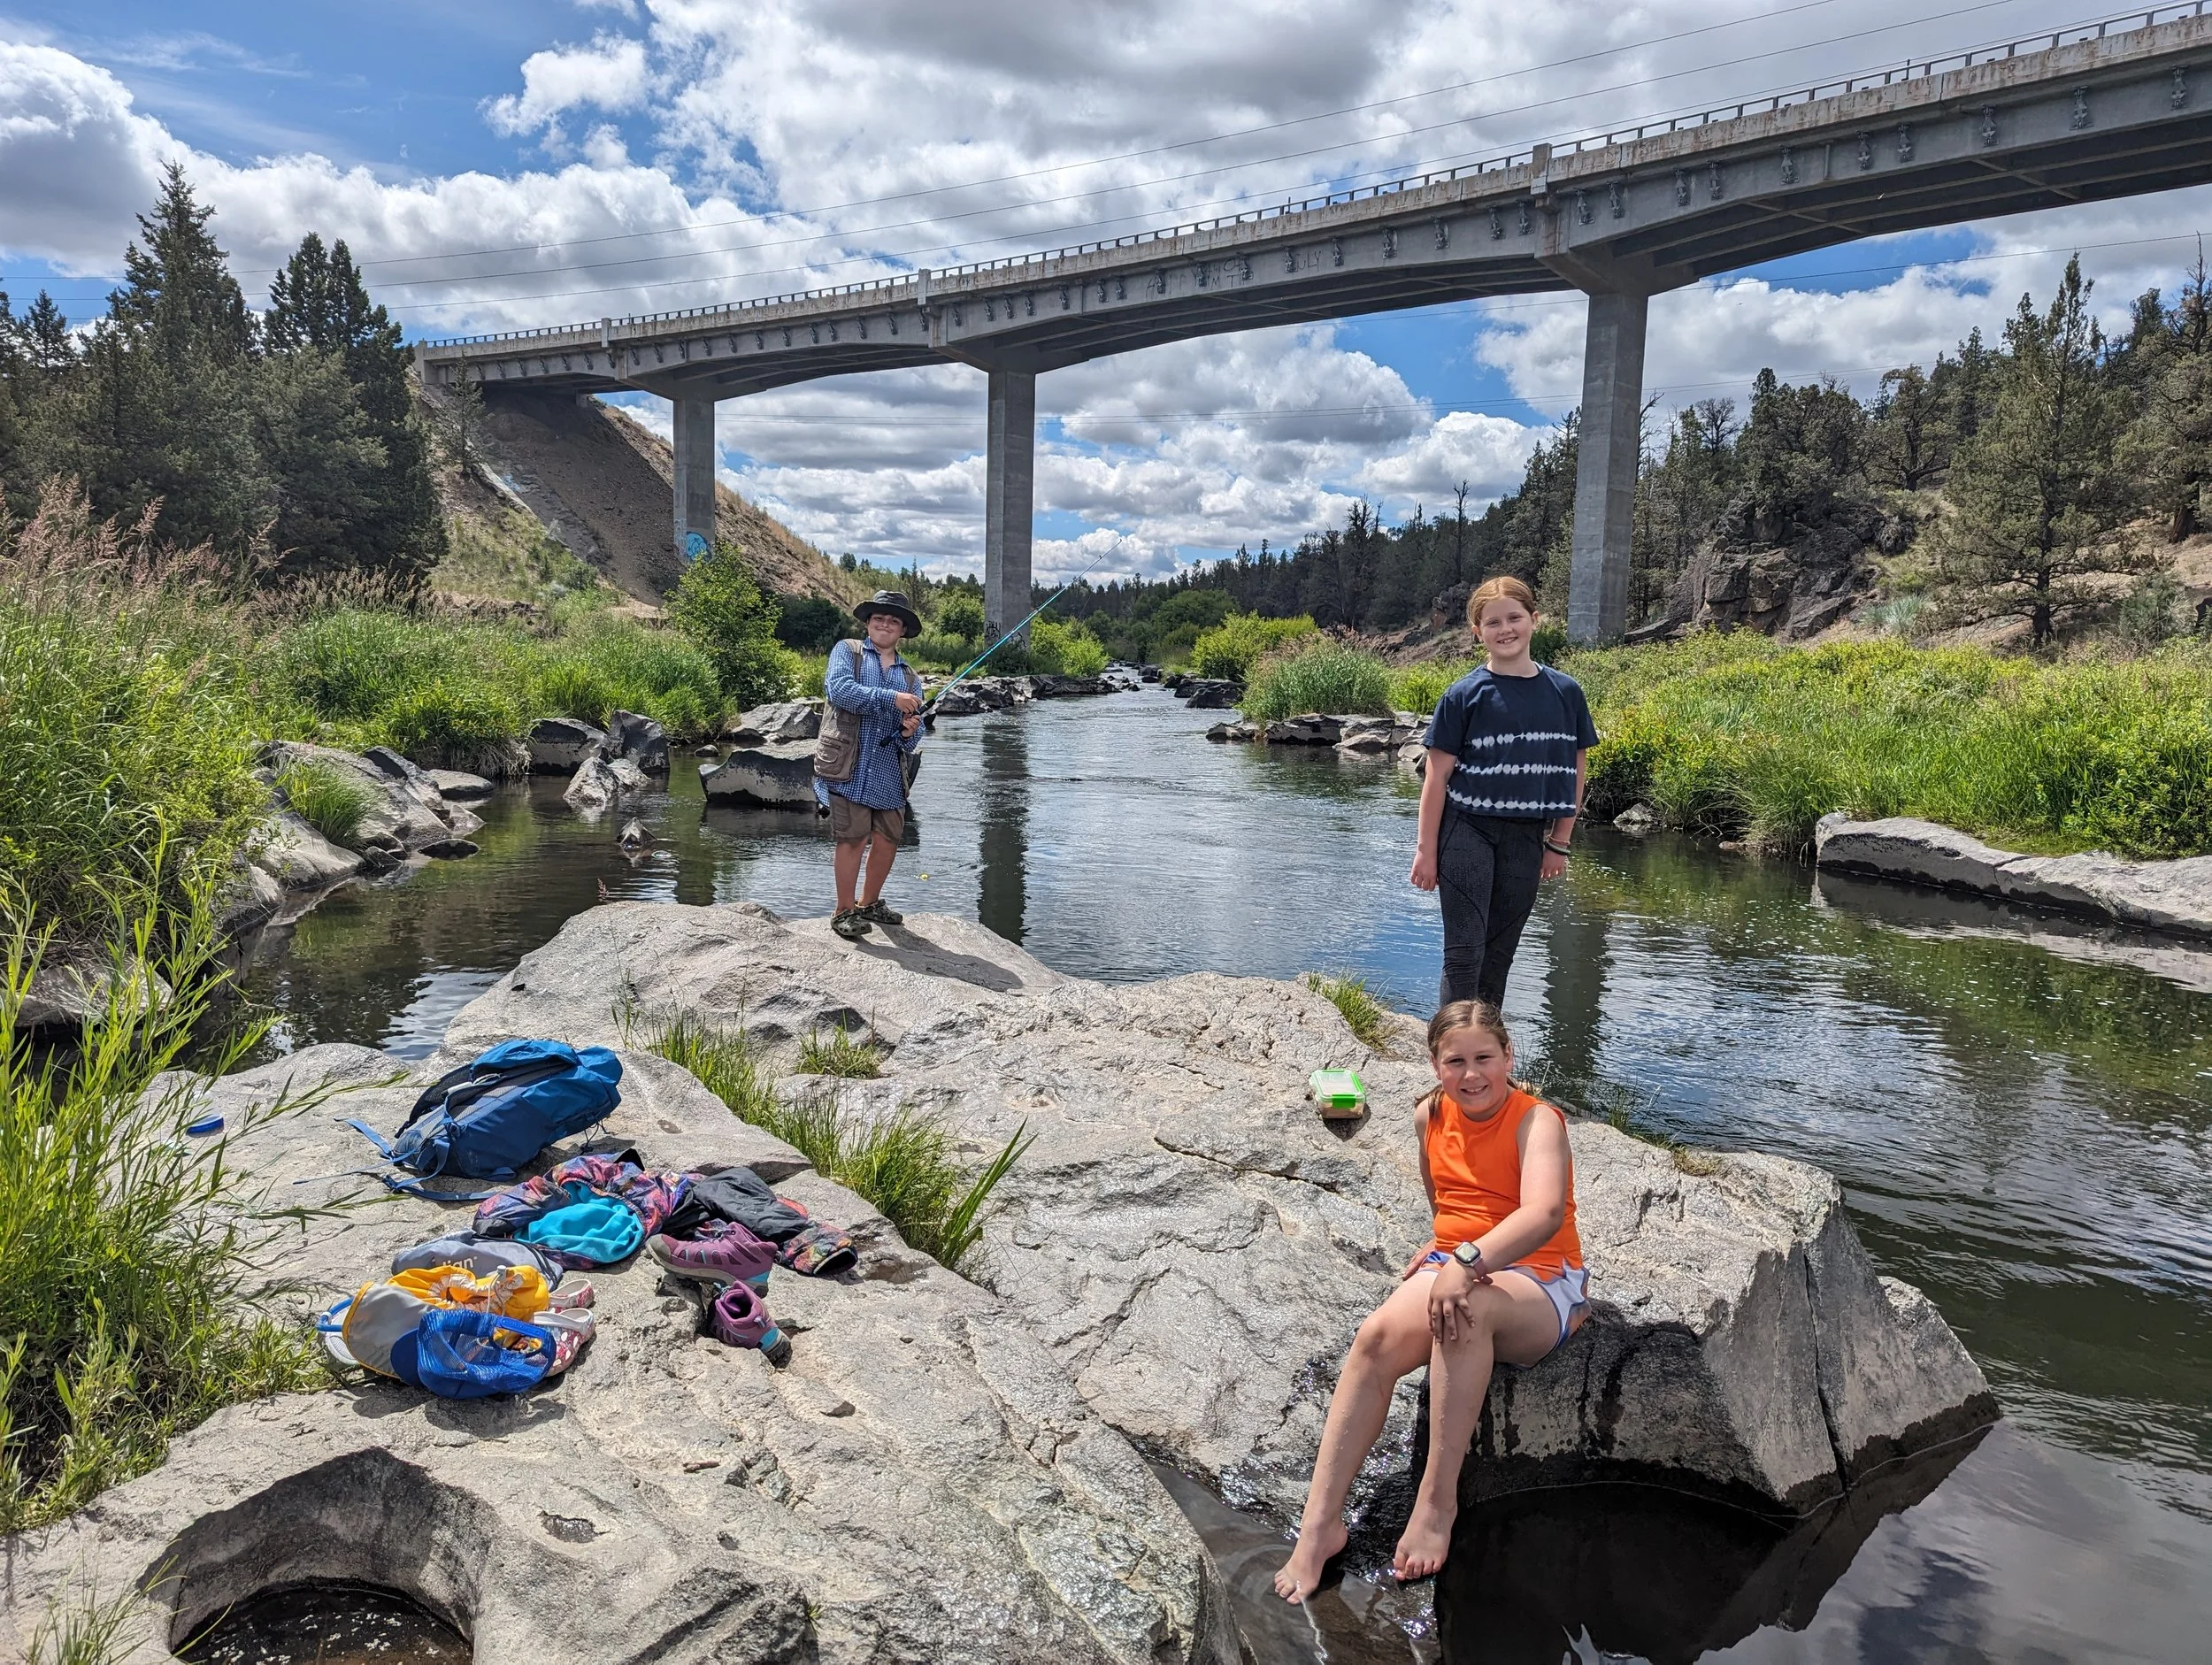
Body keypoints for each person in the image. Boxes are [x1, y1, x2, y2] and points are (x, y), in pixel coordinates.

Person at [1273, 1000, 1586, 1599]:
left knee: (1463, 1314)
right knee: (1375, 1340)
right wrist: (1443, 1247)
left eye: (1484, 1059)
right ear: (1435, 1064)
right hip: (1460, 1261)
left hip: (1542, 1279)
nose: (1472, 1075)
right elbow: (1446, 1200)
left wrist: (1467, 1263)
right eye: (1456, 1062)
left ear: (1508, 1057)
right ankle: (1320, 1527)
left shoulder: (1537, 1120)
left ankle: (1436, 1504)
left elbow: (1543, 1213)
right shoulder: (1429, 1115)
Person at [1411, 575, 1599, 1009]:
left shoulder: (1566, 693)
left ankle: (1486, 1067)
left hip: (1527, 838)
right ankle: (1452, 1065)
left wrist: (1560, 843)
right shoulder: (1462, 695)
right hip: (1465, 832)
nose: (1505, 629)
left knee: (1500, 955)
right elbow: (1436, 779)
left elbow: (1575, 770)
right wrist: (1426, 850)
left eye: (1514, 617)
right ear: (1478, 633)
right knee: (1464, 954)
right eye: (1492, 622)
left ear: (1535, 620)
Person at [814, 589, 924, 940]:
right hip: (848, 765)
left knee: (889, 838)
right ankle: (843, 910)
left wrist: (909, 731)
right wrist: (892, 699)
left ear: (903, 630)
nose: (885, 624)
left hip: (889, 771)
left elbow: (912, 739)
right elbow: (840, 691)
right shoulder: (847, 651)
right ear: (868, 622)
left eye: (894, 620)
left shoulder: (912, 678)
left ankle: (869, 903)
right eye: (879, 617)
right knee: (852, 839)